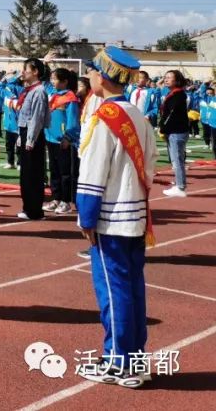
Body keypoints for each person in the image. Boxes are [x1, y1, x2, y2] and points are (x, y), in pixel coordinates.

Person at [76, 47, 157, 388]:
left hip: (111, 217)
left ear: (103, 76)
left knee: (113, 290)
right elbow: (150, 168)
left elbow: (93, 175)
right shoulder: (138, 115)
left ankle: (118, 361)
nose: (90, 77)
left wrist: (86, 219)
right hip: (136, 213)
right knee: (133, 287)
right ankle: (133, 357)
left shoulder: (104, 118)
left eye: (93, 71)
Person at [45, 68, 81, 215]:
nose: (52, 81)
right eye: (52, 78)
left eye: (56, 79)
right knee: (54, 171)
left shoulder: (70, 98)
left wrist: (68, 137)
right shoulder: (53, 94)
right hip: (50, 138)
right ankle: (56, 198)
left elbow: (73, 121)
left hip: (63, 140)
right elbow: (42, 82)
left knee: (65, 172)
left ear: (65, 81)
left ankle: (66, 201)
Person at [16, 58, 50, 220]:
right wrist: (20, 135)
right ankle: (28, 207)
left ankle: (34, 210)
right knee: (26, 173)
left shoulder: (39, 91)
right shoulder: (29, 90)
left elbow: (36, 118)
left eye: (26, 69)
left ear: (35, 71)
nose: (23, 72)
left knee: (33, 174)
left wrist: (30, 139)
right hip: (25, 132)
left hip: (32, 135)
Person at [158, 69, 190, 197]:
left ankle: (180, 187)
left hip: (177, 131)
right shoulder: (173, 93)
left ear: (177, 80)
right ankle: (179, 184)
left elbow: (170, 115)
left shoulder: (178, 95)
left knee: (177, 160)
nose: (166, 79)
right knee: (176, 159)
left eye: (169, 77)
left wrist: (163, 127)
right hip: (174, 131)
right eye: (165, 77)